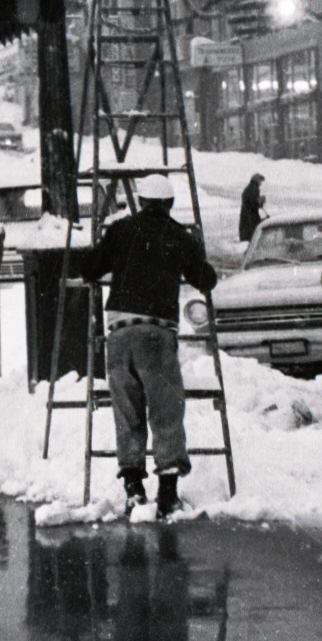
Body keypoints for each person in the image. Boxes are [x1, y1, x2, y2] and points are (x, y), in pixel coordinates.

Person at [81, 172, 218, 518]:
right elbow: (206, 280)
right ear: (170, 203)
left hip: (118, 333)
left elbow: (90, 269)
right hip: (157, 332)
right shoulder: (179, 236)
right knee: (166, 411)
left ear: (140, 202)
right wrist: (196, 251)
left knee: (126, 412)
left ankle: (133, 490)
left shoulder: (120, 231)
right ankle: (168, 494)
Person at [238, 173, 266, 242]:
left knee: (247, 238)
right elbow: (253, 204)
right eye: (260, 181)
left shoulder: (249, 188)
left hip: (246, 218)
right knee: (252, 238)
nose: (261, 184)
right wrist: (260, 201)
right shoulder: (254, 188)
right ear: (257, 180)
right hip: (250, 219)